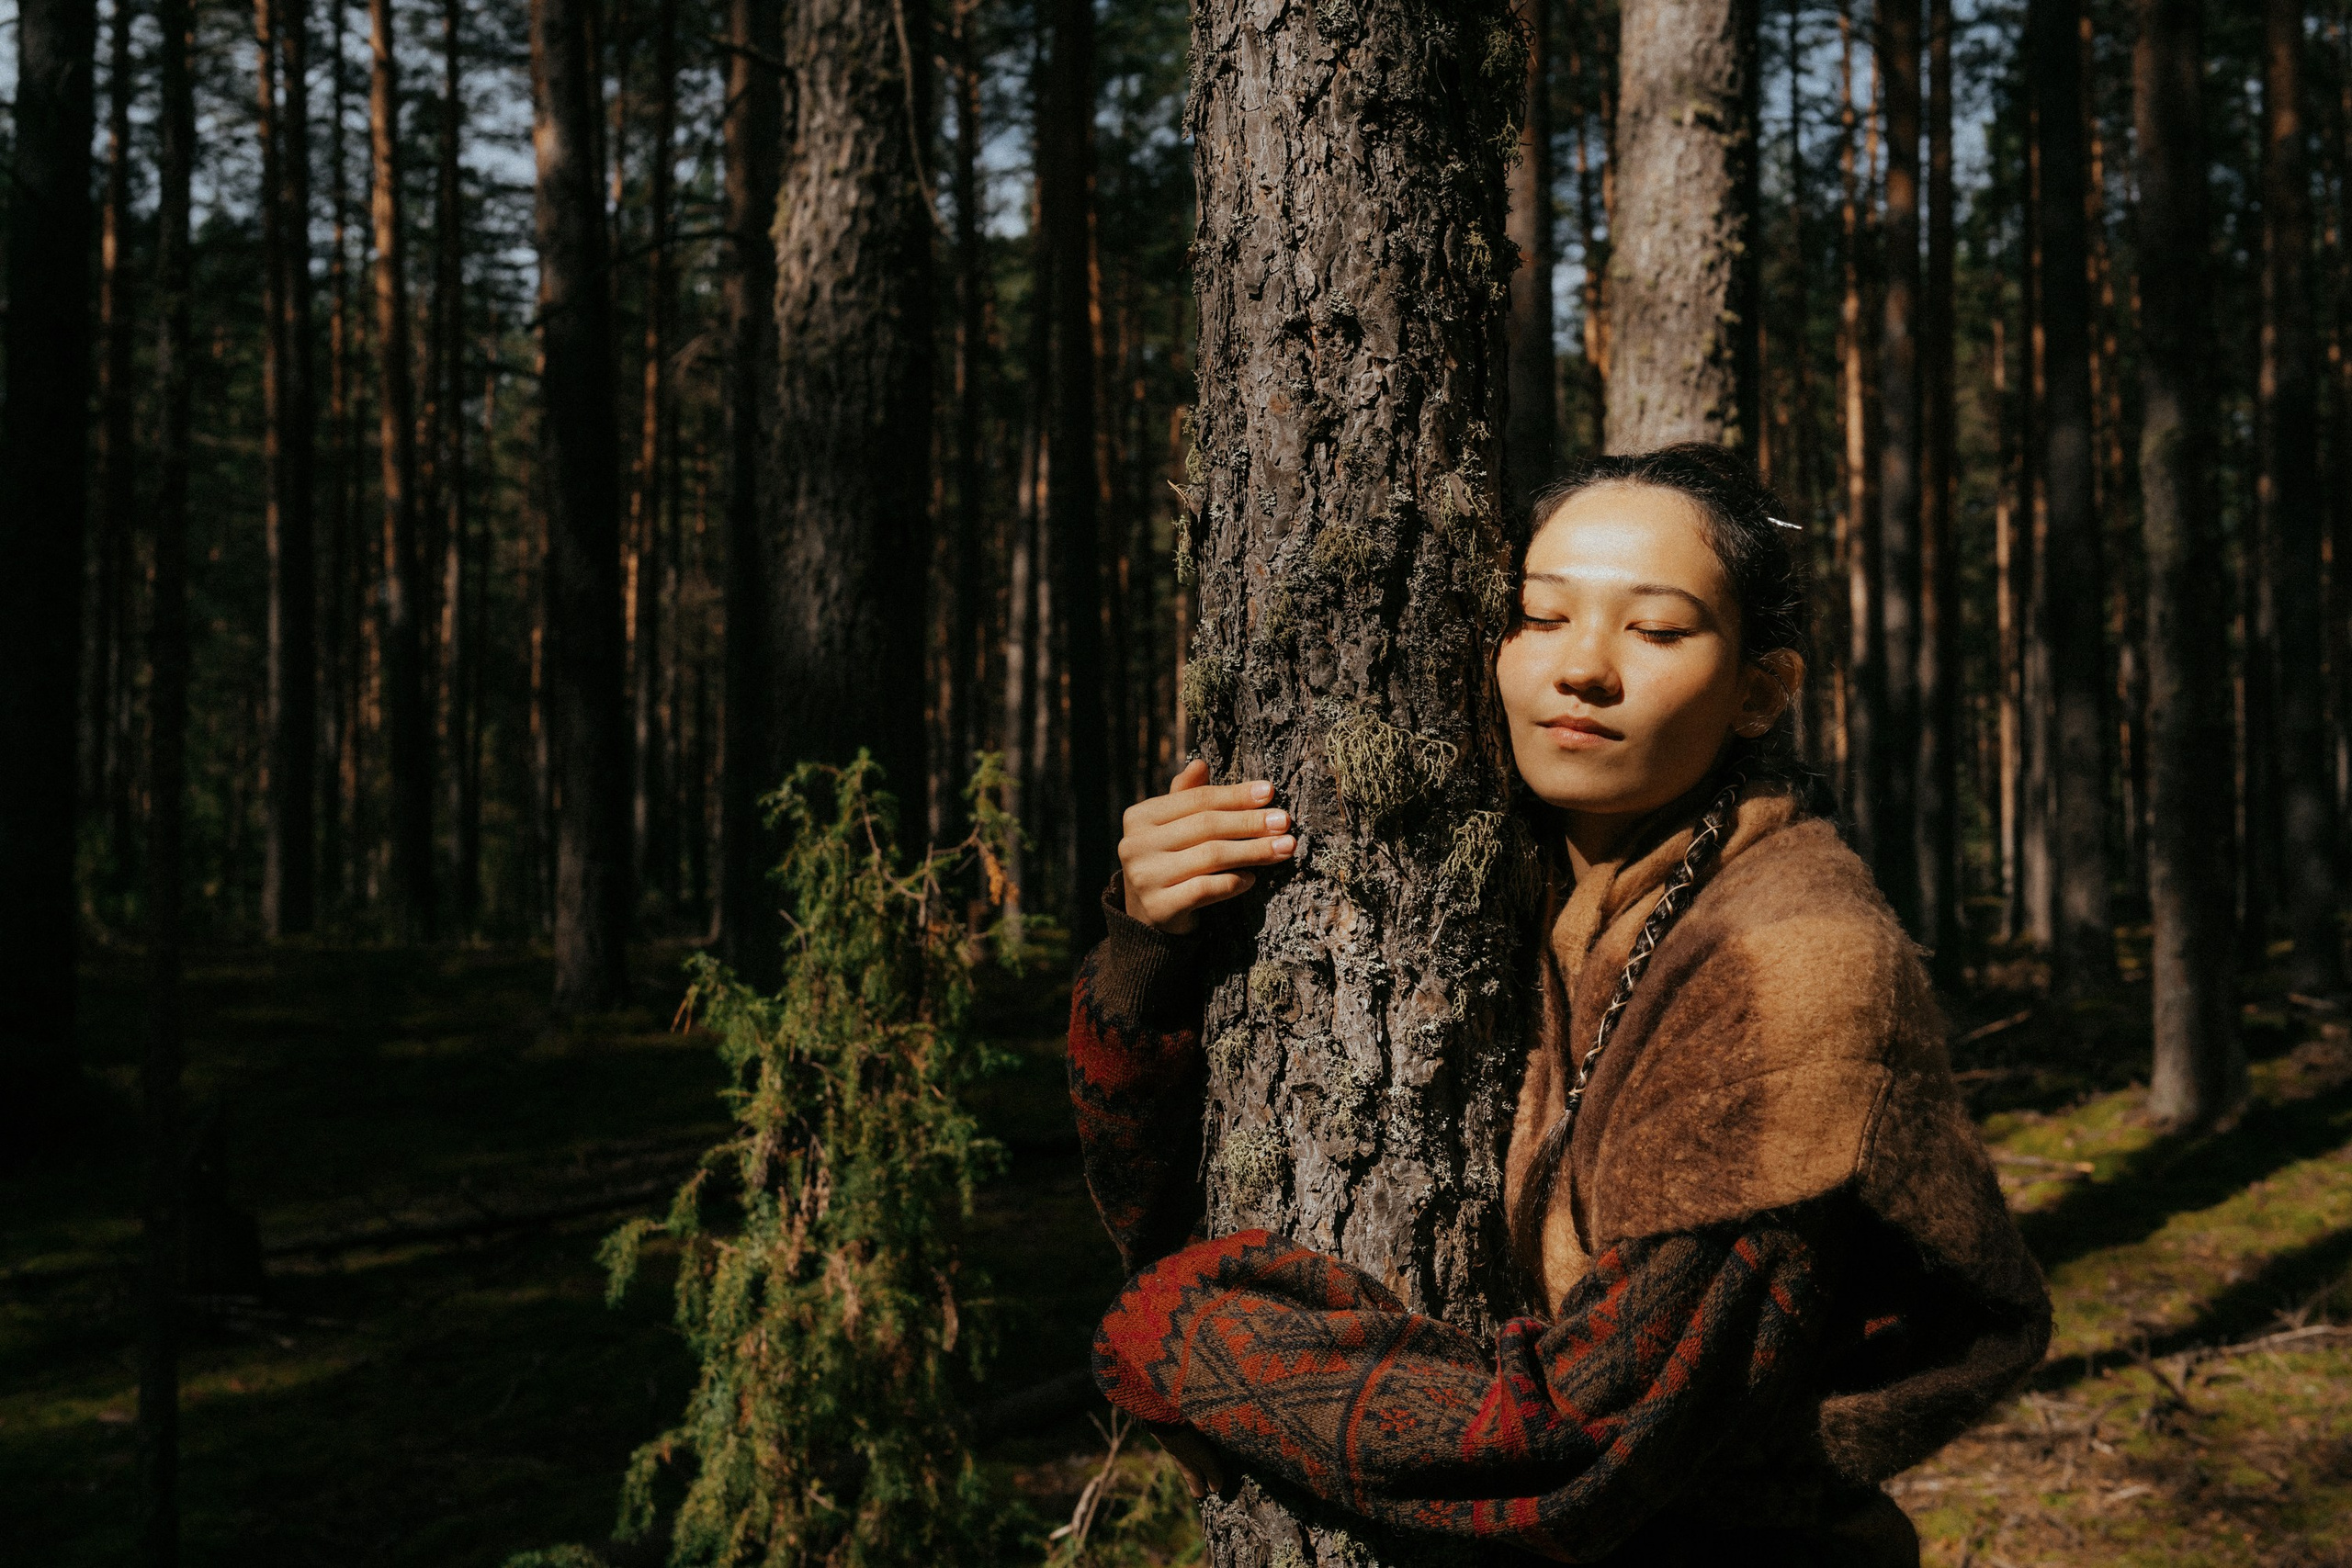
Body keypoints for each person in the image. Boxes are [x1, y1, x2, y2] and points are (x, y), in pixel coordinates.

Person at [1065, 444, 2052, 1566]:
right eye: (1539, 617)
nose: (1582, 668)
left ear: (1760, 691)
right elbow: (1164, 1207)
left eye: (1658, 630)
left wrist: (1186, 1342)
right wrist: (1156, 943)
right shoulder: (1505, 874)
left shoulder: (1798, 958)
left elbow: (1584, 1438)